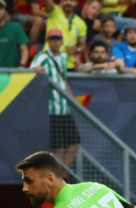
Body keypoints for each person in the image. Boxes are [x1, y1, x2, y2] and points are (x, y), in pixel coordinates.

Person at [30, 29, 81, 180]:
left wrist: (71, 98)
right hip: (52, 110)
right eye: (52, 39)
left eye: (57, 39)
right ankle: (55, 178)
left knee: (74, 145)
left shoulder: (63, 57)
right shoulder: (43, 57)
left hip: (65, 108)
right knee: (58, 148)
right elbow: (32, 67)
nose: (55, 42)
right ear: (47, 41)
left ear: (61, 41)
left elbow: (63, 78)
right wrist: (36, 69)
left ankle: (61, 177)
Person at [43, 0, 87, 70]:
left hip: (69, 64)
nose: (68, 2)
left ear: (76, 3)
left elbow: (82, 46)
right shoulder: (54, 12)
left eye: (71, 0)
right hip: (50, 61)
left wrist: (76, 49)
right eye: (65, 0)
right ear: (61, 2)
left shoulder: (81, 23)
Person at [0, 0, 29, 68]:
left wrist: (21, 66)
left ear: (6, 12)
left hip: (12, 74)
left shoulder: (16, 27)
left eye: (0, 9)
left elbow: (24, 50)